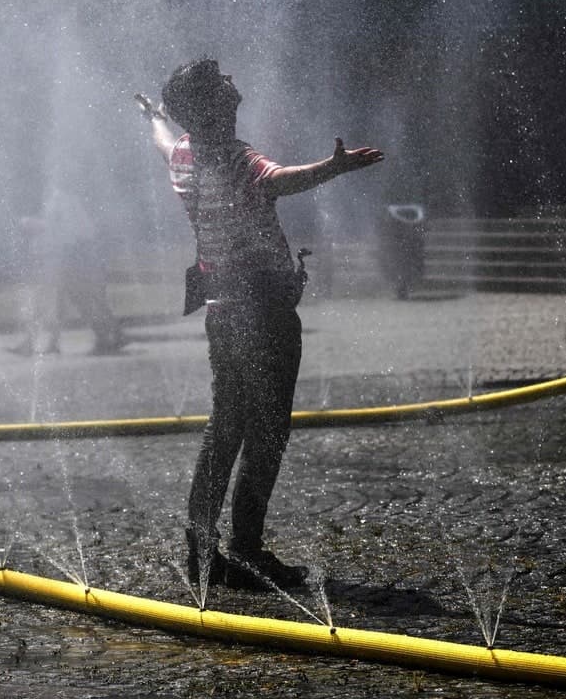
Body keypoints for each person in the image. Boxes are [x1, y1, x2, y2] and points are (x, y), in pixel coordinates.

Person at [139, 59, 385, 591]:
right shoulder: (236, 160)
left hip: (221, 312)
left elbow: (163, 141)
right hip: (266, 315)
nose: (233, 84)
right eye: (222, 82)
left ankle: (201, 556)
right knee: (266, 433)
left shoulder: (184, 152)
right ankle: (246, 553)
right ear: (213, 104)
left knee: (224, 429)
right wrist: (332, 167)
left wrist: (154, 117)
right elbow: (280, 179)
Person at [7, 187, 127, 357]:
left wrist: (37, 225)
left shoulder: (62, 200)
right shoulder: (53, 201)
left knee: (48, 301)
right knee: (71, 301)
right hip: (61, 258)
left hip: (63, 258)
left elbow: (70, 231)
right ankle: (105, 336)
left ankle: (36, 343)